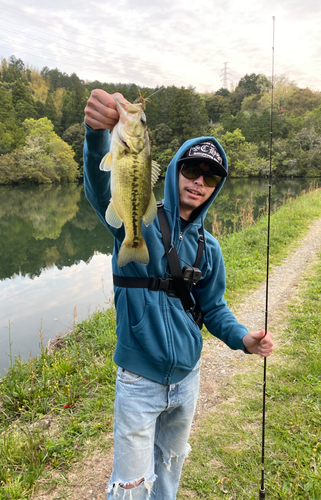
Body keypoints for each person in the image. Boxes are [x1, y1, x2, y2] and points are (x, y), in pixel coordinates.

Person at [83, 89, 274, 500]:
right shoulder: (139, 217)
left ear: (217, 186)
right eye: (192, 170)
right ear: (174, 170)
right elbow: (101, 190)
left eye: (210, 176)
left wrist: (243, 339)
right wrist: (96, 134)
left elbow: (215, 307)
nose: (199, 182)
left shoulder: (211, 248)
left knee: (168, 475)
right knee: (131, 489)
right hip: (138, 381)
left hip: (187, 380)